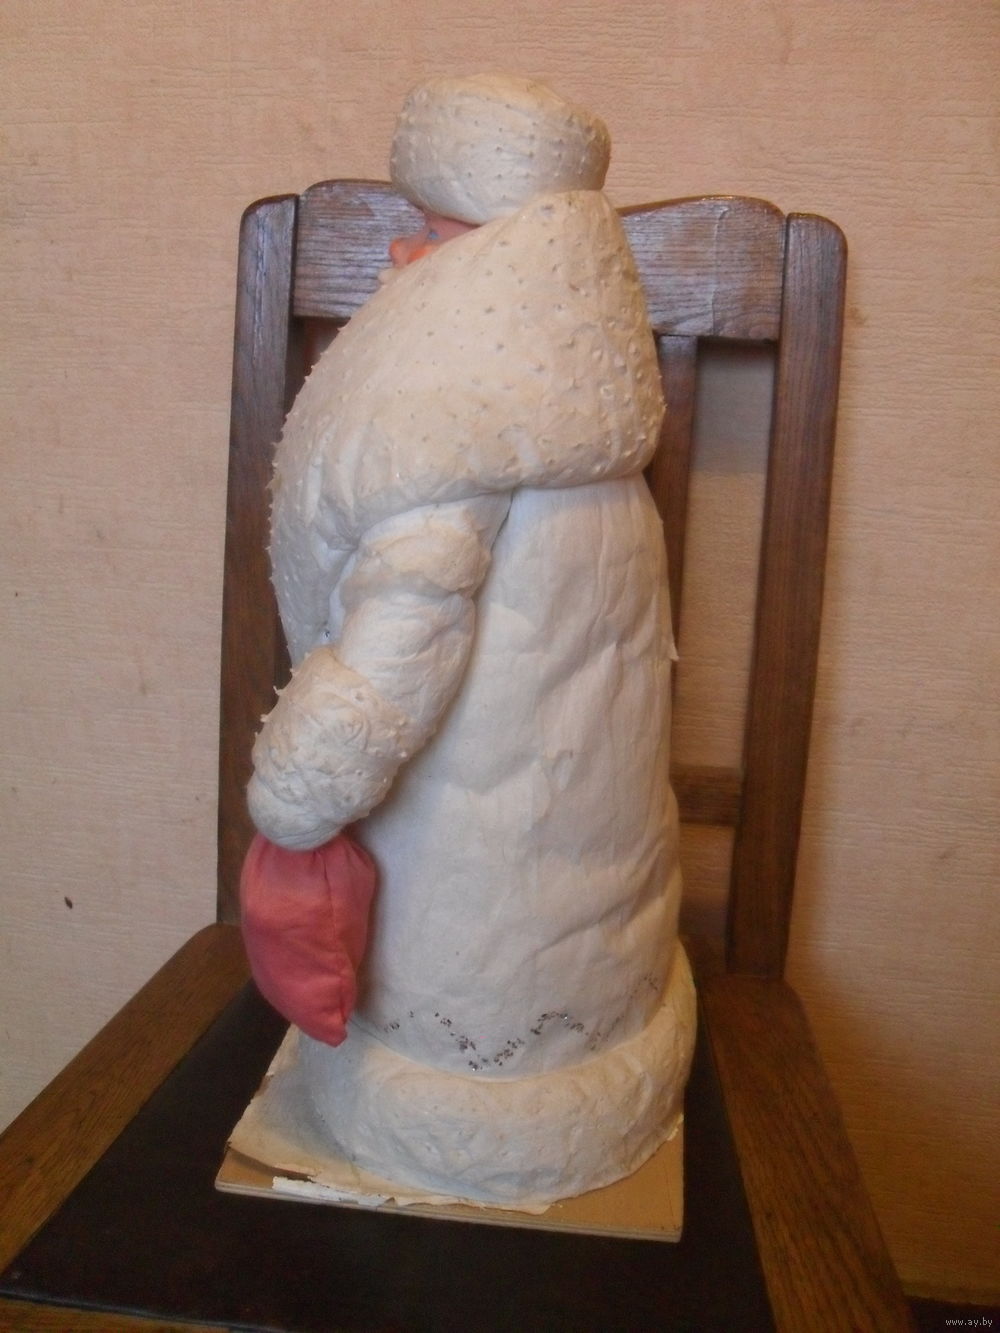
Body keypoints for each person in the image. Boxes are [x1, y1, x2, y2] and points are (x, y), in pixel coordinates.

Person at [238, 73, 695, 1207]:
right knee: (572, 912)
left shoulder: (453, 445)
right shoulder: (584, 434)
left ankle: (467, 1088)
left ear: (511, 267)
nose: (402, 258)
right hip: (591, 866)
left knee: (474, 943)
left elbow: (395, 651)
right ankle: (583, 1035)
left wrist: (294, 802)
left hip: (468, 873)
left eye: (434, 236)